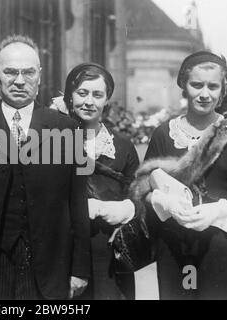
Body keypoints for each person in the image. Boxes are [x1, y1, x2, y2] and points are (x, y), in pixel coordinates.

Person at [0, 35, 91, 300]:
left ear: (39, 76)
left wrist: (80, 268)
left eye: (28, 72)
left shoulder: (65, 129)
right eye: (10, 72)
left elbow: (77, 203)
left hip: (47, 269)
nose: (19, 81)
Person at [140, 51, 227, 299]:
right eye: (196, 85)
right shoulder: (163, 134)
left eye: (213, 86)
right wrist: (160, 200)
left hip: (223, 246)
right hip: (175, 247)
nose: (204, 94)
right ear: (183, 86)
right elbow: (144, 187)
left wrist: (222, 210)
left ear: (223, 90)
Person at [56, 63, 140, 299]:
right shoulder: (51, 141)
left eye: (97, 94)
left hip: (110, 254)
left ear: (107, 99)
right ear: (70, 96)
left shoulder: (122, 146)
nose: (89, 101)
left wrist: (127, 207)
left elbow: (138, 194)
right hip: (65, 252)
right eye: (82, 93)